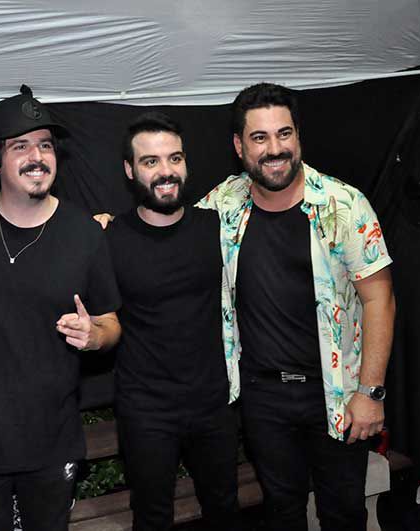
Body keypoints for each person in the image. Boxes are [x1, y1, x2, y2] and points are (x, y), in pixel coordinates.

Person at [197, 82, 396, 531]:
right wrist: (111, 226)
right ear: (239, 146)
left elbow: (379, 298)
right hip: (262, 395)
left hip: (337, 393)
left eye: (284, 134)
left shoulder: (344, 205)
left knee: (343, 514)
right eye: (260, 137)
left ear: (298, 137)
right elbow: (169, 230)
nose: (275, 149)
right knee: (281, 512)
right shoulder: (223, 204)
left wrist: (371, 393)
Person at [0, 85, 122, 531]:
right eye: (20, 146)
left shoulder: (83, 232)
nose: (37, 157)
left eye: (45, 145)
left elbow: (112, 322)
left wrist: (95, 335)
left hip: (52, 442)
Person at [105, 112, 240, 530]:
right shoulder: (109, 239)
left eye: (174, 158)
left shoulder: (215, 227)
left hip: (213, 402)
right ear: (130, 170)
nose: (166, 171)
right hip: (146, 409)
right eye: (151, 161)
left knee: (224, 510)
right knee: (152, 516)